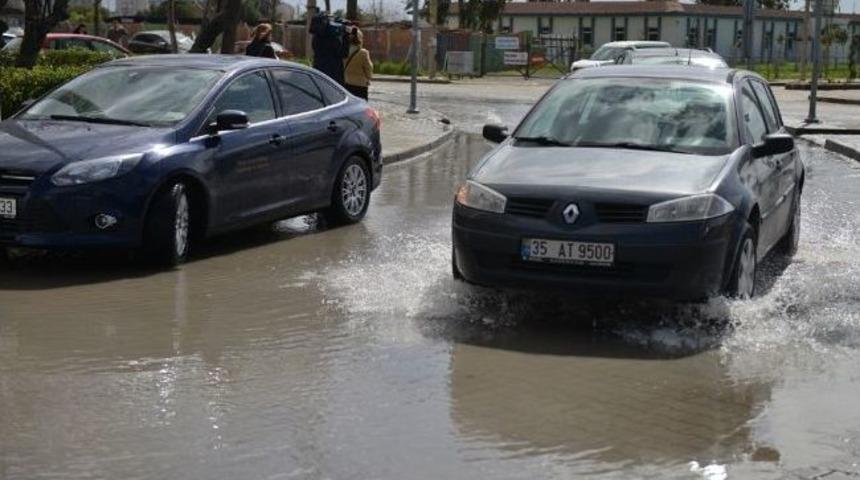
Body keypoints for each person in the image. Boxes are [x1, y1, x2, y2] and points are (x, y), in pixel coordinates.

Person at [343, 27, 373, 101]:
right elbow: (368, 68)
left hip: (347, 83)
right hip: (360, 84)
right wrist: (368, 78)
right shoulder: (363, 53)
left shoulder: (344, 51)